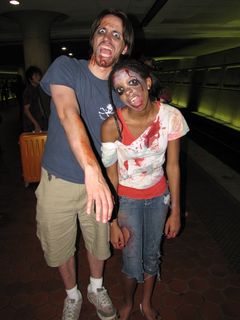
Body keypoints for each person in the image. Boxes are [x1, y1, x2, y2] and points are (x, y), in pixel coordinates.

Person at [35, 9, 134, 320]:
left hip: (101, 183)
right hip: (60, 180)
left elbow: (122, 149)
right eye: (103, 31)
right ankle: (72, 294)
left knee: (97, 243)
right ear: (93, 38)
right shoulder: (66, 68)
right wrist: (92, 172)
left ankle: (95, 286)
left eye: (117, 35)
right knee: (60, 247)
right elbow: (67, 113)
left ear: (124, 48)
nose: (108, 38)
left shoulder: (120, 93)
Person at [101, 59, 189, 320]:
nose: (129, 93)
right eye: (120, 89)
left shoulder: (171, 117)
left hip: (158, 198)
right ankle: (128, 301)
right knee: (130, 260)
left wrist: (176, 211)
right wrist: (112, 221)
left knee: (152, 253)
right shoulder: (111, 126)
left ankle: (146, 303)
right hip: (126, 200)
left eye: (133, 82)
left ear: (148, 82)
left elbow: (173, 167)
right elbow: (111, 176)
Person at [22, 66, 50, 132]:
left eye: (39, 75)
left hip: (40, 121)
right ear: (30, 78)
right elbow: (26, 110)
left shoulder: (37, 88)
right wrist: (36, 124)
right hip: (32, 124)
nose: (38, 77)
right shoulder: (29, 91)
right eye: (35, 75)